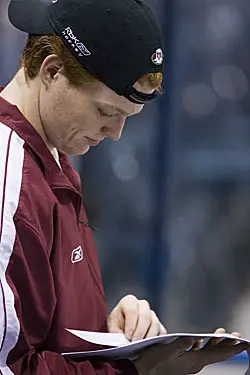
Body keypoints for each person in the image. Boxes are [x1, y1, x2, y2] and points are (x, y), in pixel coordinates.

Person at [0, 0, 248, 374]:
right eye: (106, 112)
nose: (115, 134)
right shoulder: (10, 183)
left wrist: (106, 336)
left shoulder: (51, 156)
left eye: (125, 118)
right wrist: (136, 371)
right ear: (51, 72)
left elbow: (42, 337)